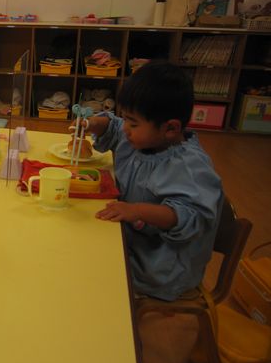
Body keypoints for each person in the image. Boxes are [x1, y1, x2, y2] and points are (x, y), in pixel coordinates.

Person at [81, 62, 223, 301]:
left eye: (133, 123)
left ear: (171, 128)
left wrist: (136, 210)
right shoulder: (143, 137)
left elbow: (189, 217)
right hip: (132, 239)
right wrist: (95, 123)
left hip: (159, 267)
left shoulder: (189, 167)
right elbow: (115, 127)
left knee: (89, 271)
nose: (126, 128)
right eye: (125, 118)